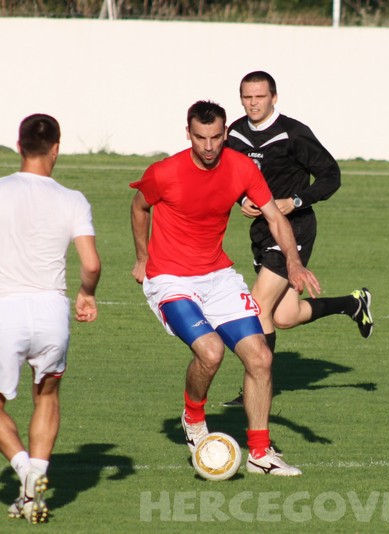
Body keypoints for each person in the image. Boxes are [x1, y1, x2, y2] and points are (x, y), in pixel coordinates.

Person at [130, 100, 320, 477]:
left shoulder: (241, 167)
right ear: (188, 134)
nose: (209, 146)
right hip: (170, 278)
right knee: (211, 352)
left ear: (225, 134)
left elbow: (273, 215)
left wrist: (294, 262)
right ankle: (193, 417)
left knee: (261, 358)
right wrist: (141, 257)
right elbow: (139, 207)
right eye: (200, 138)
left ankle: (261, 454)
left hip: (217, 276)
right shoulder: (164, 172)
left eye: (217, 137)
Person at [0, 114, 101, 523]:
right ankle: (35, 480)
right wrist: (86, 294)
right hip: (53, 313)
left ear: (19, 146)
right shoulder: (73, 199)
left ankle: (23, 469)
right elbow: (90, 262)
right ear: (56, 149)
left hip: (5, 311)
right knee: (48, 395)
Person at [222, 70, 374, 407]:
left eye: (260, 96)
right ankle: (352, 304)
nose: (253, 103)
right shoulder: (235, 134)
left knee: (257, 306)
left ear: (274, 97)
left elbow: (331, 176)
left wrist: (296, 200)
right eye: (247, 97)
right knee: (284, 317)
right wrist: (240, 200)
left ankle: (260, 385)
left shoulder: (293, 134)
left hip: (295, 228)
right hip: (262, 230)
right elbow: (229, 175)